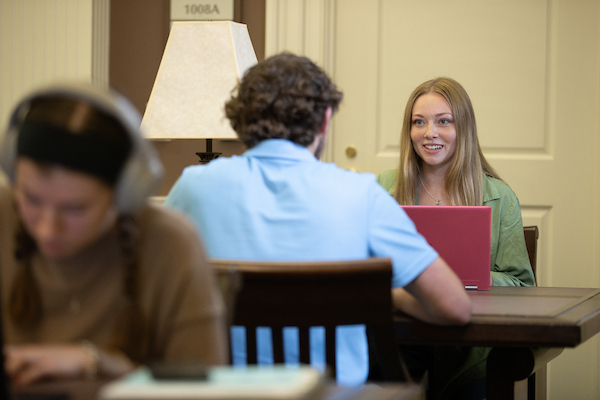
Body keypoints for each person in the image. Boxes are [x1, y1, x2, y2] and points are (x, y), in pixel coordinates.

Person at [164, 52, 471, 387]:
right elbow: (454, 307)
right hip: (331, 393)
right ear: (325, 120)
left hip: (223, 393)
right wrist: (387, 292)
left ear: (240, 119)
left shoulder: (193, 188)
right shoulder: (361, 193)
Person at [0, 84, 228, 387]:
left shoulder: (171, 243)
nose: (47, 229)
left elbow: (204, 387)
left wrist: (93, 362)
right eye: (31, 200)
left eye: (74, 209)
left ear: (125, 195)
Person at [377, 77, 535, 399]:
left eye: (443, 122)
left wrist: (471, 279)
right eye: (418, 122)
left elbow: (521, 285)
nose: (429, 133)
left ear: (463, 128)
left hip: (472, 347)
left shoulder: (500, 196)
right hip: (401, 337)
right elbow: (365, 264)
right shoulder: (383, 188)